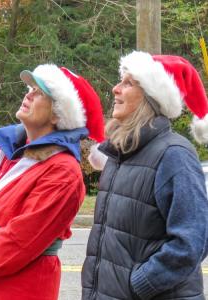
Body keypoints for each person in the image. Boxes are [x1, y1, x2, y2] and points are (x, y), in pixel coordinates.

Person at [0, 63, 105, 300]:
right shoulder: (6, 152)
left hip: (18, 290)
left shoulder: (64, 172)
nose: (28, 94)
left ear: (59, 114)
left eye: (39, 92)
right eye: (30, 87)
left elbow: (20, 239)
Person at [82, 51, 208, 300]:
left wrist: (140, 284)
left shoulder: (174, 154)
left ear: (151, 98)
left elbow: (193, 240)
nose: (116, 89)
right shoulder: (120, 156)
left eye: (128, 83)